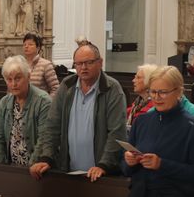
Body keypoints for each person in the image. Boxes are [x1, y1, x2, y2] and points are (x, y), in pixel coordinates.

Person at [120, 66, 194, 197]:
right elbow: (126, 170)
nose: (157, 97)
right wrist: (129, 162)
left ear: (178, 92)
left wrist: (162, 164)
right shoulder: (142, 122)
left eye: (163, 92)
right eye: (152, 92)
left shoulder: (192, 126)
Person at [30, 41, 128, 182]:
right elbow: (52, 126)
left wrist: (104, 165)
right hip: (68, 170)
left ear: (100, 62)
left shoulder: (112, 89)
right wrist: (46, 157)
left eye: (88, 62)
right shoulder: (67, 86)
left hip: (100, 174)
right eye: (79, 64)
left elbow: (117, 132)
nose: (83, 68)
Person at [0, 55, 51, 166]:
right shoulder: (4, 103)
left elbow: (43, 141)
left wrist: (29, 171)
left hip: (36, 170)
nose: (13, 84)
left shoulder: (43, 102)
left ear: (28, 76)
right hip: (11, 170)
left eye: (18, 78)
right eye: (9, 79)